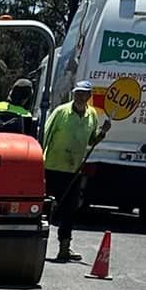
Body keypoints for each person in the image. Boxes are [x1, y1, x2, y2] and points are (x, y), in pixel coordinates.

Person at [44, 80, 110, 263]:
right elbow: (45, 135)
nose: (79, 96)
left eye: (83, 94)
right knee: (46, 208)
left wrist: (102, 133)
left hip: (73, 171)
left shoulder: (92, 116)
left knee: (69, 211)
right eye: (77, 93)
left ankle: (64, 247)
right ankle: (36, 244)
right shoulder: (61, 112)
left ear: (89, 96)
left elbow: (91, 141)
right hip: (51, 168)